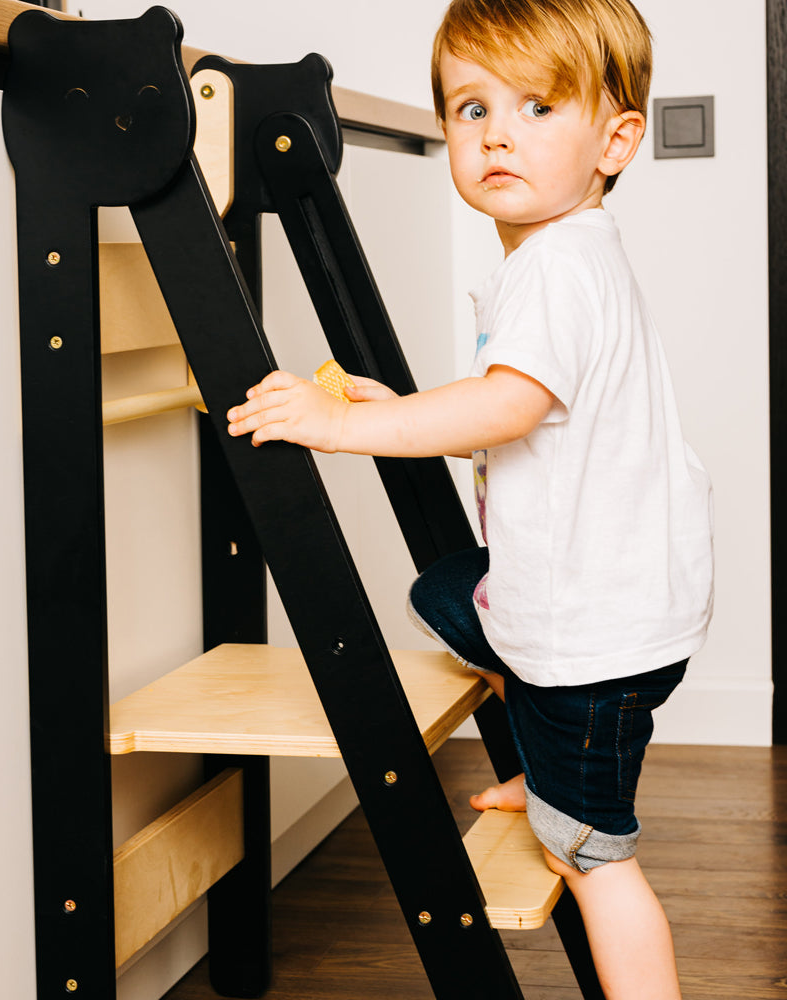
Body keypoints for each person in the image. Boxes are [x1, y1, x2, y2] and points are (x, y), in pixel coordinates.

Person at [227, 1, 713, 997]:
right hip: (604, 602)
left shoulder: (555, 270)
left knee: (593, 860)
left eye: (537, 107)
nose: (495, 132)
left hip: (596, 638)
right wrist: (402, 407)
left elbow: (507, 404)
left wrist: (344, 426)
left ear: (614, 139)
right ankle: (543, 761)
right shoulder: (568, 251)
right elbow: (520, 407)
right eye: (469, 107)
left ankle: (566, 803)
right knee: (450, 593)